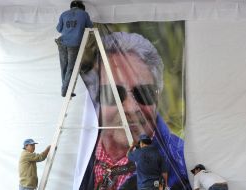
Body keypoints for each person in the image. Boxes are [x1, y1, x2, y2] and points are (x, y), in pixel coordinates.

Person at [80, 32, 191, 190]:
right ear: (93, 99)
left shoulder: (183, 159)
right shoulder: (74, 151)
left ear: (158, 99)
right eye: (114, 94)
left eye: (144, 93)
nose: (131, 108)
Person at [56, 0, 93, 97]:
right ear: (81, 7)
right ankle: (65, 90)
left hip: (62, 43)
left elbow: (58, 29)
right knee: (70, 68)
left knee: (63, 67)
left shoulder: (64, 14)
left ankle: (64, 89)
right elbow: (90, 26)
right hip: (74, 44)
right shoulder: (84, 14)